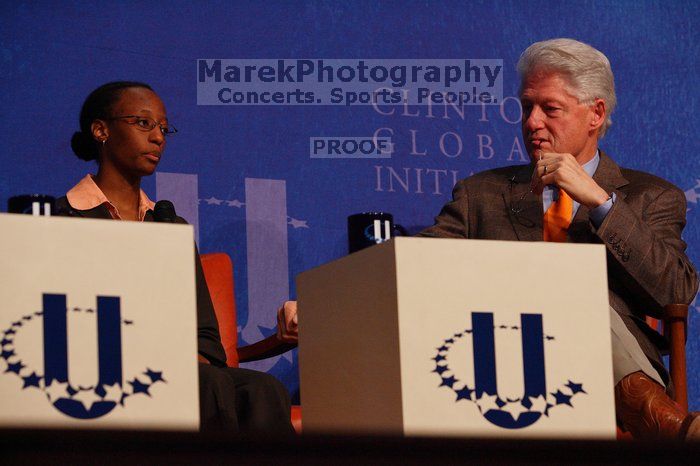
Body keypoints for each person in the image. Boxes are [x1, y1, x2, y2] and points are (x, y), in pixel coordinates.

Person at [419, 39, 699, 440]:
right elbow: (418, 269)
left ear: (595, 114)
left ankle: (656, 417)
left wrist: (600, 202)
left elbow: (675, 291)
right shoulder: (480, 193)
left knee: (578, 296)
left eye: (549, 109)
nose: (532, 122)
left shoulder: (650, 196)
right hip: (497, 361)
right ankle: (672, 430)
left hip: (606, 378)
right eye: (526, 107)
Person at [56, 81, 298, 434]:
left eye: (163, 129)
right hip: (97, 367)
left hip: (177, 370)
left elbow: (205, 332)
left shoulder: (169, 223)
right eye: (143, 123)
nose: (158, 138)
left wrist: (189, 366)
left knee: (264, 389)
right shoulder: (62, 217)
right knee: (210, 386)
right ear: (101, 130)